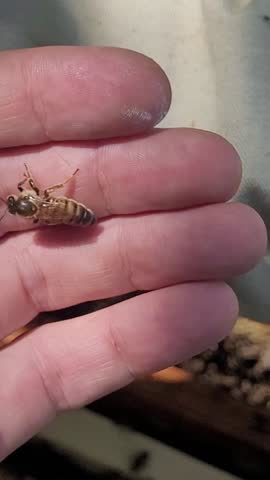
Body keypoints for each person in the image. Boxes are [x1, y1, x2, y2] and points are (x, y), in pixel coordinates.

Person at [0, 44, 266, 462]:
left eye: (15, 200)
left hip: (72, 215)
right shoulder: (38, 204)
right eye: (16, 201)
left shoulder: (35, 215)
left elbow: (41, 204)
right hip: (71, 213)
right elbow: (41, 194)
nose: (15, 199)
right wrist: (65, 185)